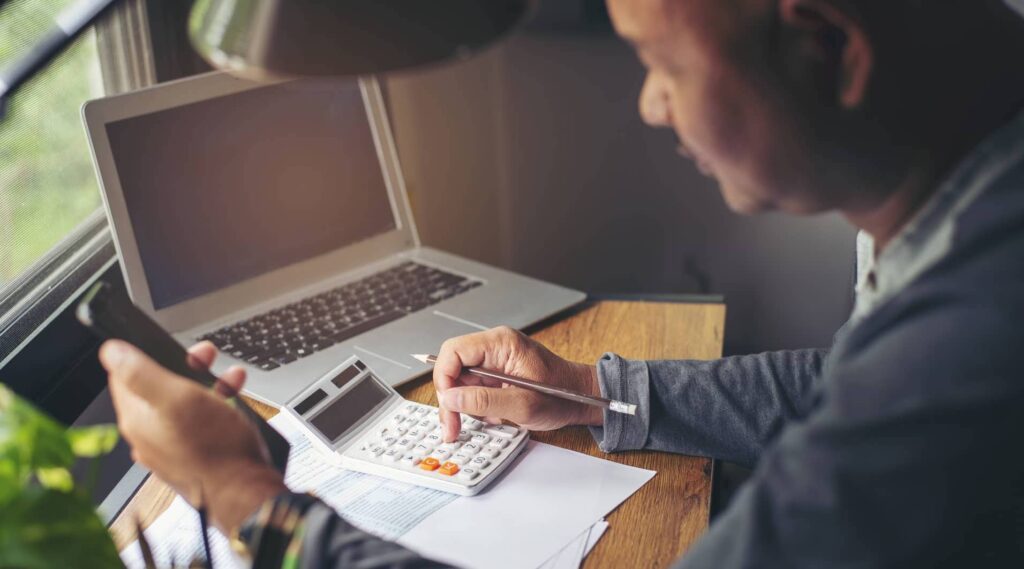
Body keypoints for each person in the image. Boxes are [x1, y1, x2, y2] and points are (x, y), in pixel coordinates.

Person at [100, 0, 1024, 566]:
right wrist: (589, 393)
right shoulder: (974, 202)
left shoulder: (979, 332)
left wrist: (247, 500)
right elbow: (838, 389)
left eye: (660, 62)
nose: (649, 103)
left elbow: (899, 390)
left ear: (829, 47)